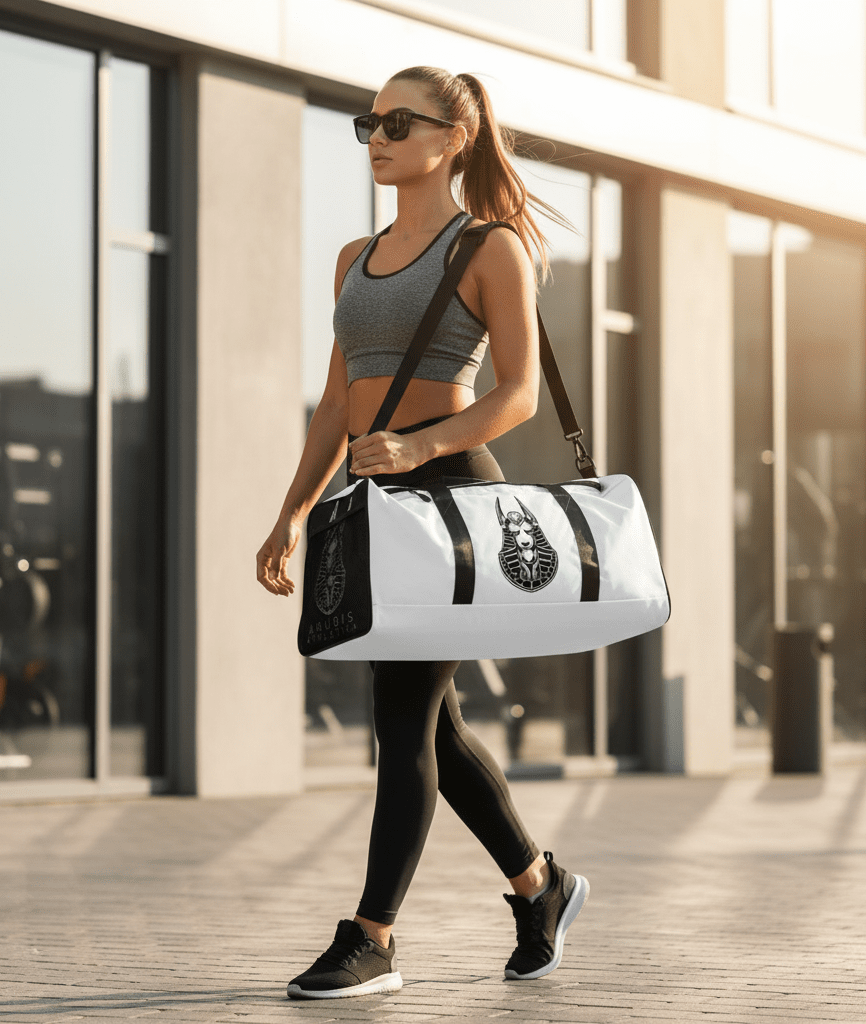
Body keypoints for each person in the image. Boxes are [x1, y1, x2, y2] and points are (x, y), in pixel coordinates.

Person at [256, 65, 589, 1000]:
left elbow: (518, 395)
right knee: (433, 723)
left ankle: (373, 938)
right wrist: (290, 509)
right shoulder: (353, 258)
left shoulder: (488, 249)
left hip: (448, 493)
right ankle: (541, 885)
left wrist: (420, 445)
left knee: (401, 716)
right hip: (372, 497)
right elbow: (335, 402)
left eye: (399, 122)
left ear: (456, 135)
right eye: (369, 122)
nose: (378, 136)